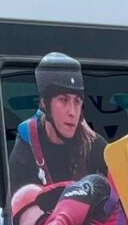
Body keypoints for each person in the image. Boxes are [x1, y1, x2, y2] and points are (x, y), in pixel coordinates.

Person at [11, 52, 105, 188]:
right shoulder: (25, 150)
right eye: (63, 100)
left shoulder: (92, 144)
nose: (72, 112)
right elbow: (14, 205)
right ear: (44, 103)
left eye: (77, 101)